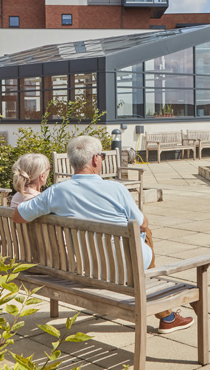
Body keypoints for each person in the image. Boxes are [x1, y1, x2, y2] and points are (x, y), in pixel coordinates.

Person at [12, 135, 194, 334]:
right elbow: (142, 223)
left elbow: (18, 215)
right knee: (145, 231)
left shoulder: (56, 192)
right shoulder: (116, 188)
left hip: (87, 267)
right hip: (124, 270)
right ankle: (167, 316)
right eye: (102, 156)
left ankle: (167, 315)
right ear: (95, 159)